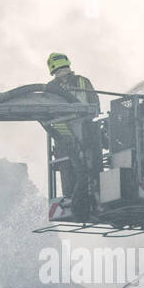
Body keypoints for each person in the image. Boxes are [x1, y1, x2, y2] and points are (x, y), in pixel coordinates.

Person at [44, 53, 100, 219]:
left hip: (81, 127)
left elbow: (94, 106)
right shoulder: (53, 86)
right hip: (63, 130)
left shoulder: (78, 82)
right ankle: (73, 195)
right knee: (69, 163)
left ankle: (88, 193)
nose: (62, 73)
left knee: (83, 162)